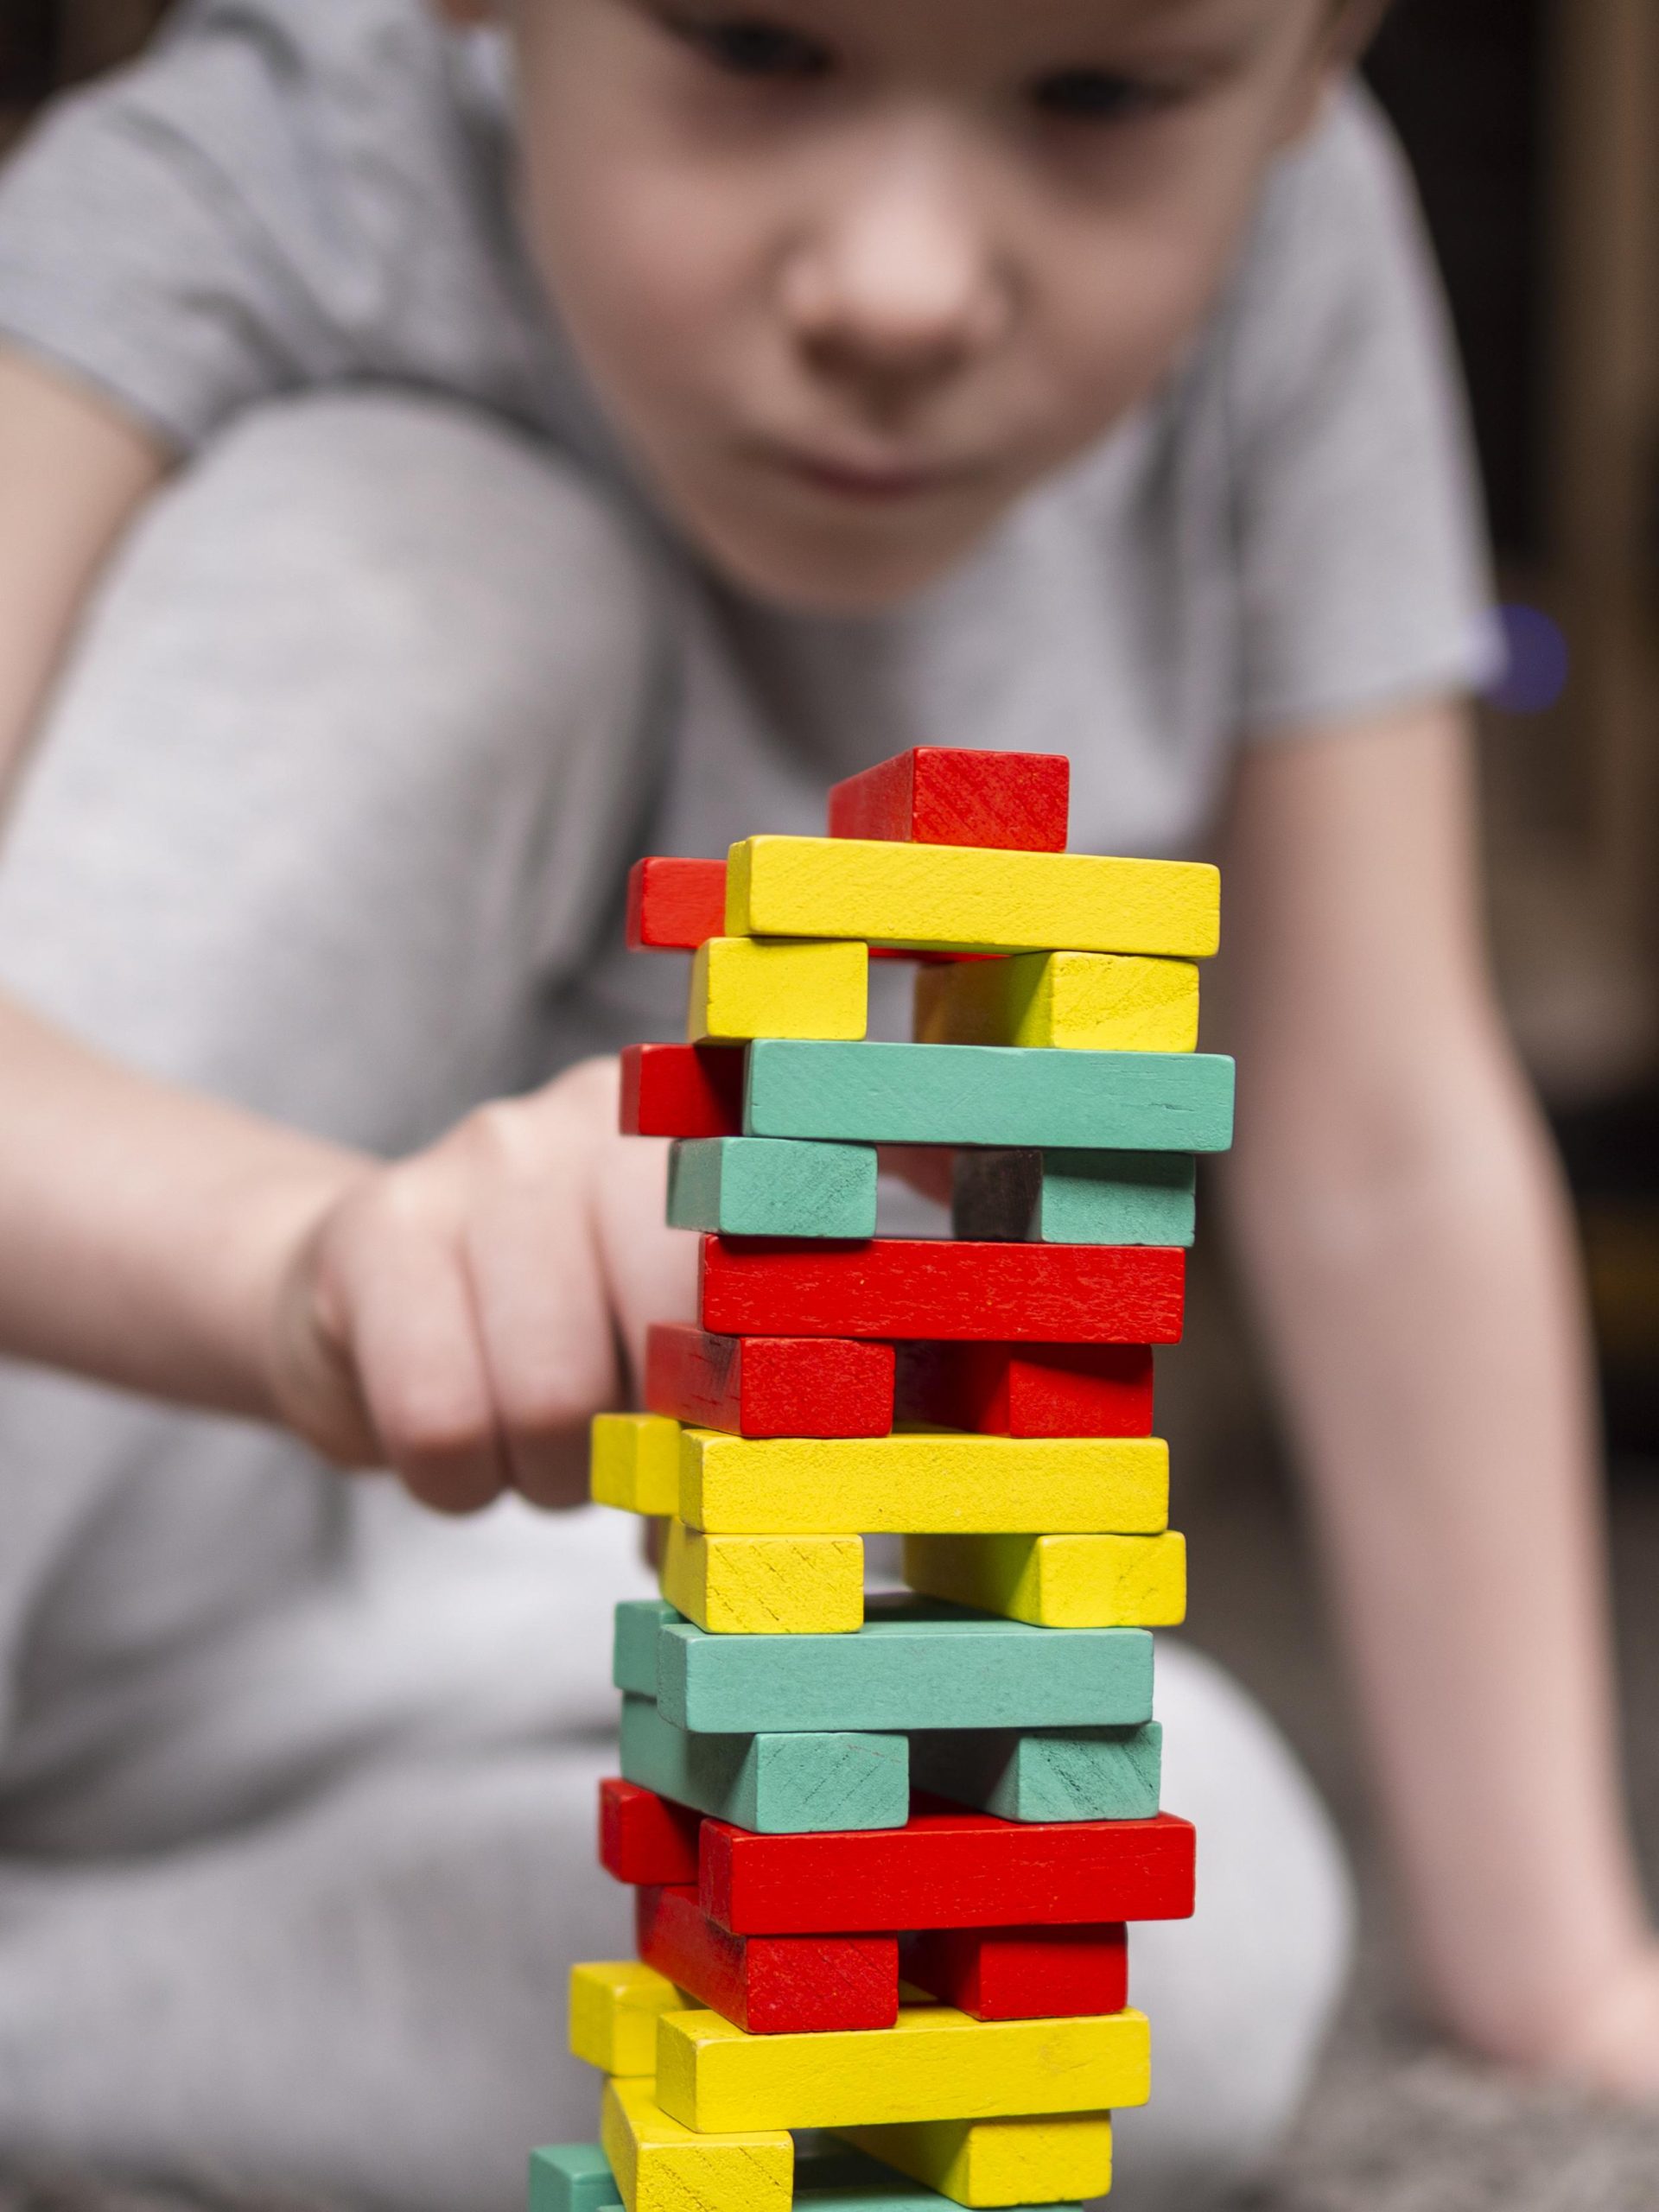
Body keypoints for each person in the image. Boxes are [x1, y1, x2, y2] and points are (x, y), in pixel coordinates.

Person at [0, 0, 1648, 2207]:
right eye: (755, 45)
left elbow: (1379, 1135)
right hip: (102, 1461)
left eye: (1104, 97)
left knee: (1158, 1904)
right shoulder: (267, 156)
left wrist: (1561, 1978)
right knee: (447, 561)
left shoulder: (1302, 261)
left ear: (1318, 60)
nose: (899, 280)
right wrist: (299, 1264)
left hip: (492, 1673)